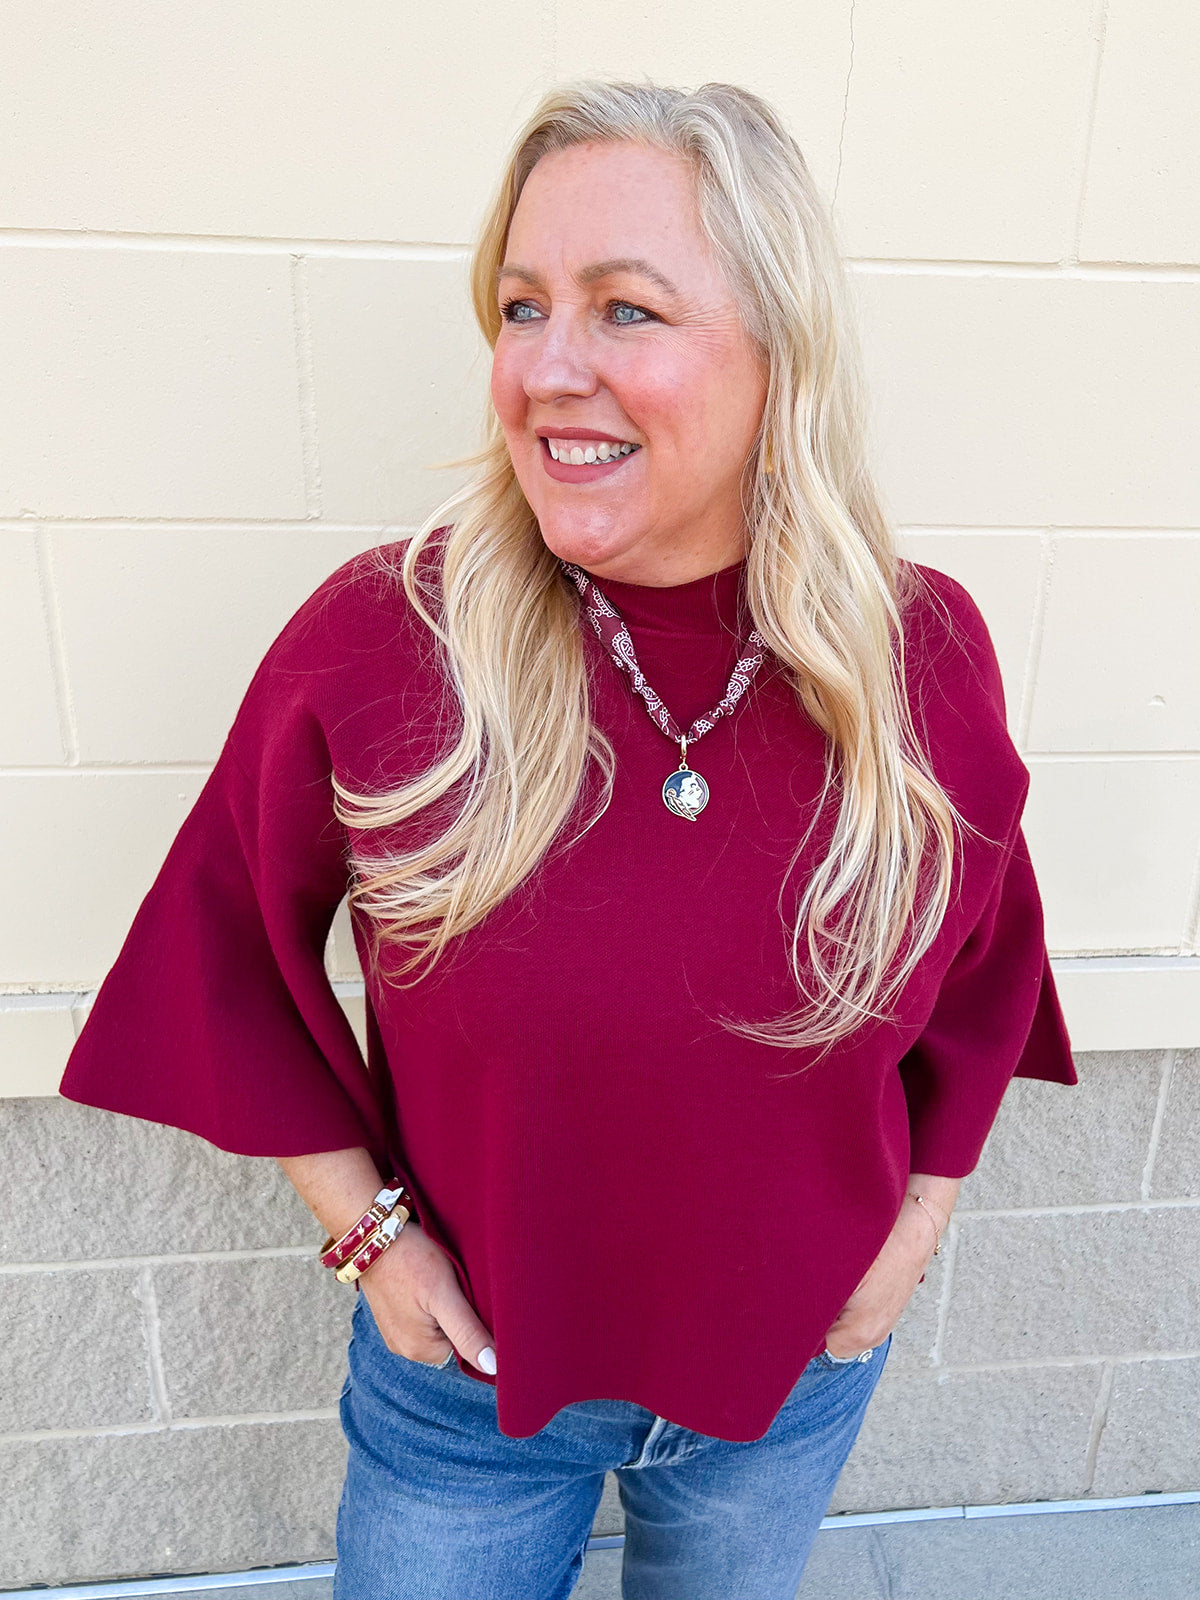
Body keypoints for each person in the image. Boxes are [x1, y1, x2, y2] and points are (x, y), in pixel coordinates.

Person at [59, 78, 1078, 1600]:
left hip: (794, 1377)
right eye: (523, 306)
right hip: (469, 1393)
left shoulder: (913, 652)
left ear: (779, 348)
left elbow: (984, 967)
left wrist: (915, 1225)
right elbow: (220, 951)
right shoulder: (389, 638)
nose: (546, 369)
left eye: (626, 311)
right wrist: (370, 1235)